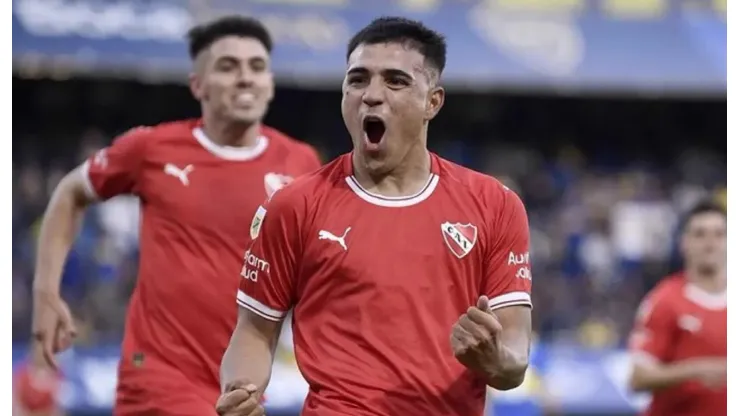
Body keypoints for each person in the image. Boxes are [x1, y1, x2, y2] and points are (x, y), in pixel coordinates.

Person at [218, 17, 533, 416]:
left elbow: (514, 361)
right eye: (358, 79)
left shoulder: (494, 204)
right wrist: (241, 391)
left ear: (432, 102)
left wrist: (493, 360)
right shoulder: (293, 206)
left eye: (396, 81)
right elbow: (254, 331)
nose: (371, 95)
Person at [31, 16, 322, 416]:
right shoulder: (152, 149)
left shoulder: (300, 161)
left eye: (256, 67)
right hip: (158, 378)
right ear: (197, 85)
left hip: (243, 382)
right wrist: (46, 293)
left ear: (270, 83)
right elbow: (69, 193)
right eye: (227, 67)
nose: (245, 78)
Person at [628, 201, 726, 416]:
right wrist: (695, 370)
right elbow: (638, 378)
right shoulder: (664, 301)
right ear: (684, 243)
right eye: (700, 234)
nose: (711, 243)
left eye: (719, 234)